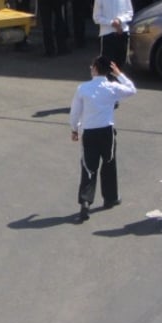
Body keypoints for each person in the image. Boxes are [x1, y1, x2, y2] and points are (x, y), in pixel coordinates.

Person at [69, 56, 137, 221]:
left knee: (88, 167)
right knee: (109, 164)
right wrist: (119, 74)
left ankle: (85, 201)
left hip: (89, 132)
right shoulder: (112, 87)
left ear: (95, 69)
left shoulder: (83, 88)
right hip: (107, 130)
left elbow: (75, 112)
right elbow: (132, 90)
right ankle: (110, 198)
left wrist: (74, 129)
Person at [92, 0, 133, 66]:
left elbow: (130, 13)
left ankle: (118, 81)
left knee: (121, 61)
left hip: (122, 32)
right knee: (107, 63)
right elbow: (96, 17)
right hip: (107, 34)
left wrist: (119, 20)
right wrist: (112, 23)